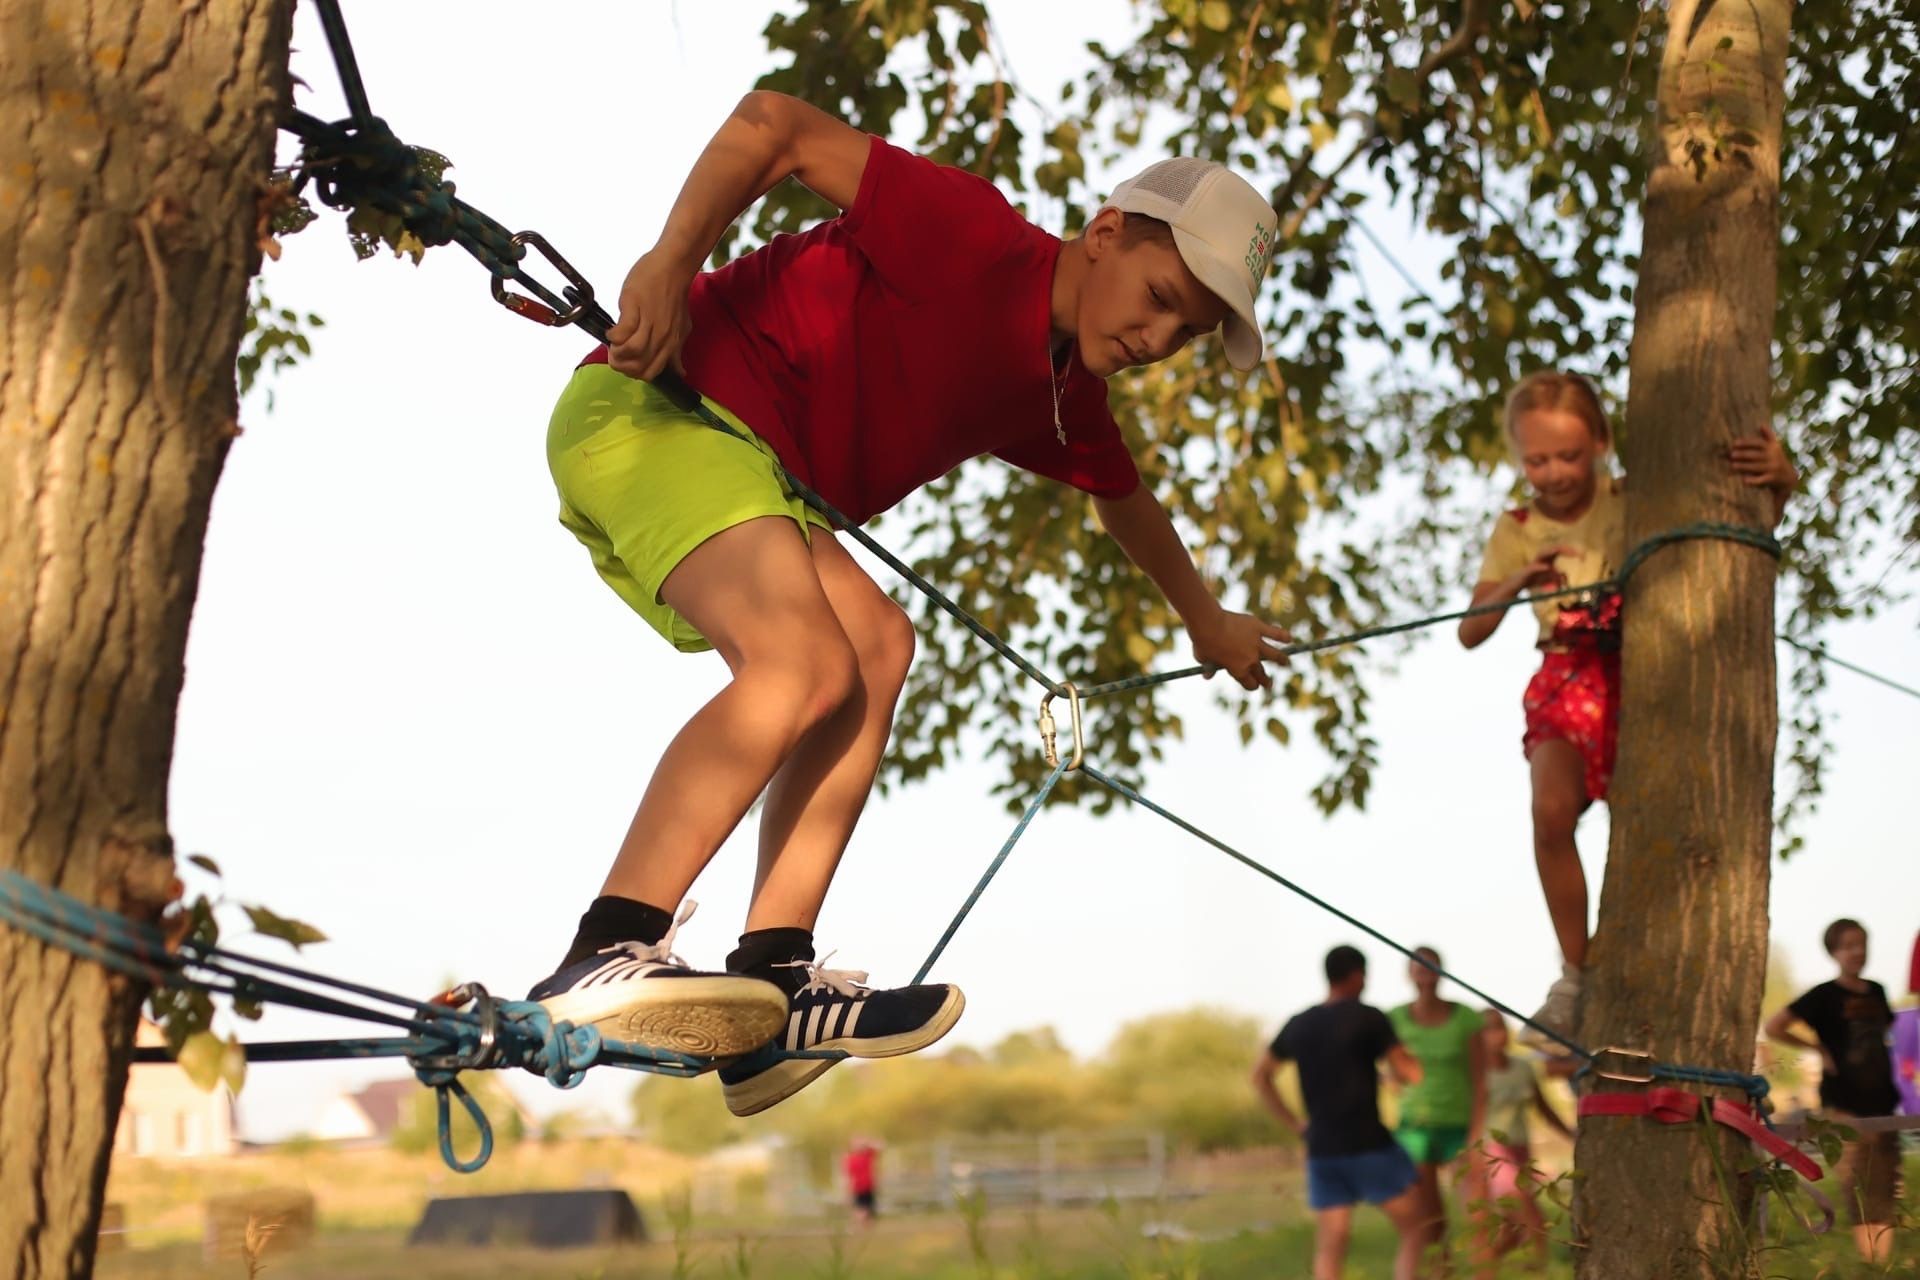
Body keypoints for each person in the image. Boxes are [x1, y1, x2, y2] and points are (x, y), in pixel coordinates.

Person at [528, 89, 1292, 1118]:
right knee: (805, 663)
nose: (1159, 334)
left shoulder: (1061, 393)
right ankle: (606, 944)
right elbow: (775, 125)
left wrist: (1205, 617)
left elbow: (1129, 503)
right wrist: (669, 262)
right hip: (657, 412)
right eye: (1158, 294)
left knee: (879, 645)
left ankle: (773, 977)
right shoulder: (974, 237)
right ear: (1105, 233)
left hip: (751, 471)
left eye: (1187, 331)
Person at [1457, 371, 1796, 1039]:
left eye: (1569, 456)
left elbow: (1730, 532)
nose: (1552, 473)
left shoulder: (1636, 498)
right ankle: (1575, 976)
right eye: (1536, 459)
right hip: (1563, 679)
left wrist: (1782, 479)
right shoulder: (1516, 528)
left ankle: (1670, 966)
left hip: (1644, 675)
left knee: (1652, 824)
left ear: (1603, 443)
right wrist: (1519, 580)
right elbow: (1470, 630)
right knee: (1550, 814)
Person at [1253, 945, 1431, 1280]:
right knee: (1415, 1227)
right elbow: (1411, 1073)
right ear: (1357, 975)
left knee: (1331, 1245)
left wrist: (1296, 1125)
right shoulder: (1369, 1017)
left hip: (1322, 1147)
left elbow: (1260, 1076)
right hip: (1368, 1145)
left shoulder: (1300, 1023)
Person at [1764, 918, 1904, 1264]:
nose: (1857, 951)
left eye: (1862, 943)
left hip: (1882, 1103)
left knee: (1886, 1181)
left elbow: (1883, 1031)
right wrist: (1818, 1049)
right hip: (1844, 1105)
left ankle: (1882, 1262)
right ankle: (1869, 1261)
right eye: (1849, 945)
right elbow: (1775, 1026)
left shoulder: (1877, 991)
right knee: (1859, 1183)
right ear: (1834, 952)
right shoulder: (1824, 996)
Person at [1388, 946, 1486, 1255]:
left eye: (1432, 966)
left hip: (1460, 1127)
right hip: (1416, 1128)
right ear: (1409, 974)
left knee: (1479, 1216)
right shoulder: (1395, 1019)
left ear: (1443, 971)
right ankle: (1441, 1274)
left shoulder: (1465, 1017)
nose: (1425, 972)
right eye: (1418, 966)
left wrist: (1475, 1133)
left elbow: (1481, 1079)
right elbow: (1394, 1074)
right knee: (1430, 1222)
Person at [1466, 1007, 1572, 1275]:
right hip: (1493, 1152)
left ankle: (1484, 1271)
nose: (1496, 1035)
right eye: (1488, 1029)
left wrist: (1571, 1133)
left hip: (1521, 1151)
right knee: (1533, 1219)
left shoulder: (1523, 1067)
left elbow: (1543, 1107)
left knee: (1508, 1232)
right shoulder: (1475, 1073)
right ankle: (1537, 1271)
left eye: (1499, 1027)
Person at [844, 1138, 879, 1224]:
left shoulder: (867, 1154)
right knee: (861, 1208)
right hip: (858, 1186)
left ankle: (865, 1225)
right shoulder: (851, 1158)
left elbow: (880, 1146)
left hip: (869, 1185)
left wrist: (867, 1143)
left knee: (869, 1207)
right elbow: (848, 1175)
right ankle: (861, 1224)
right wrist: (848, 1189)